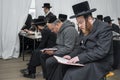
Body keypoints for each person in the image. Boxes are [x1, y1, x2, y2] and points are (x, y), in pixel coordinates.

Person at [51, 1, 113, 80]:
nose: (79, 26)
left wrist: (79, 58)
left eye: (81, 22)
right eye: (78, 23)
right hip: (87, 58)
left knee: (71, 74)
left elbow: (101, 51)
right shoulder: (85, 28)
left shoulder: (104, 28)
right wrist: (71, 55)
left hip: (101, 62)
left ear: (89, 19)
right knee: (61, 67)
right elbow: (81, 47)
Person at [40, 14, 79, 80]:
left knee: (50, 61)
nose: (52, 31)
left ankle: (51, 77)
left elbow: (68, 48)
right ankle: (48, 77)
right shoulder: (60, 30)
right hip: (62, 51)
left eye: (52, 29)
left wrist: (54, 52)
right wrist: (52, 49)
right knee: (43, 55)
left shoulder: (69, 30)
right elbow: (59, 45)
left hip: (70, 53)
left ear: (57, 24)